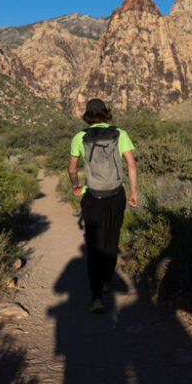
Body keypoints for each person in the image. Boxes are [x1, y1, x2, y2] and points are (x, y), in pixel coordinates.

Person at [68, 98, 138, 313]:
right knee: (111, 240)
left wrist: (76, 186)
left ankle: (96, 297)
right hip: (116, 195)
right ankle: (107, 280)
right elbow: (131, 165)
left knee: (94, 246)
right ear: (106, 113)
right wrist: (134, 192)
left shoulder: (80, 137)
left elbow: (72, 169)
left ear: (88, 116)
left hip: (93, 197)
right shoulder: (120, 134)